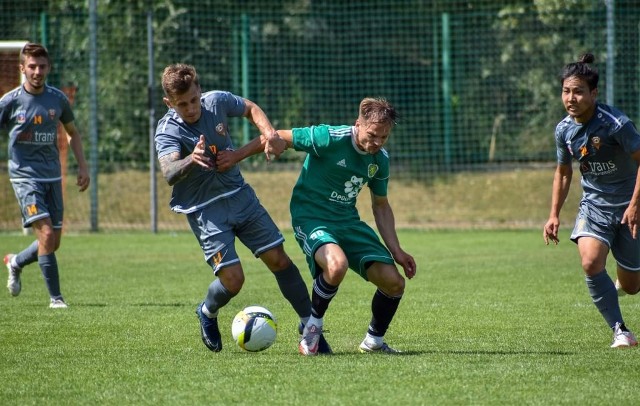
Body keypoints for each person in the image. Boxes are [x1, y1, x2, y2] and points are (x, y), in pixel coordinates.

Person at [154, 63, 330, 354]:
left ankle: (309, 327)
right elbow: (169, 171)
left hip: (239, 196)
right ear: (169, 103)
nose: (191, 108)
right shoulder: (168, 130)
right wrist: (190, 159)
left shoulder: (216, 101)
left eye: (194, 99)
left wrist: (268, 134)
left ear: (199, 90)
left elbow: (250, 108)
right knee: (233, 281)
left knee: (279, 259)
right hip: (204, 210)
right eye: (181, 104)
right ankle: (207, 311)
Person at [220, 97, 417, 355]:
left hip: (347, 221)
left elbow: (380, 205)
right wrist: (235, 156)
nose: (377, 142)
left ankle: (374, 342)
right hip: (311, 216)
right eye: (372, 135)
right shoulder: (329, 138)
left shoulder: (379, 160)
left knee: (394, 283)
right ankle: (311, 330)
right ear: (358, 124)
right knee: (337, 265)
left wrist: (397, 251)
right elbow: (279, 136)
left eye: (384, 137)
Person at [543, 53, 640, 348]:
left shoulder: (616, 124)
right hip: (594, 206)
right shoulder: (564, 130)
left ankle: (623, 283)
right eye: (566, 91)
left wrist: (635, 205)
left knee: (633, 285)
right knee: (590, 261)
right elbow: (562, 172)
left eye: (578, 91)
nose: (571, 98)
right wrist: (554, 214)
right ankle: (620, 330)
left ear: (593, 93)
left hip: (628, 208)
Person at [0, 42, 90, 308]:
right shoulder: (10, 101)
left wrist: (83, 166)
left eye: (41, 66)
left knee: (52, 242)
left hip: (52, 176)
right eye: (32, 66)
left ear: (48, 68)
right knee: (47, 235)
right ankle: (56, 298)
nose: (37, 71)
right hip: (24, 177)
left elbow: (73, 132)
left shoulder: (58, 99)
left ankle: (15, 262)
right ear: (22, 68)